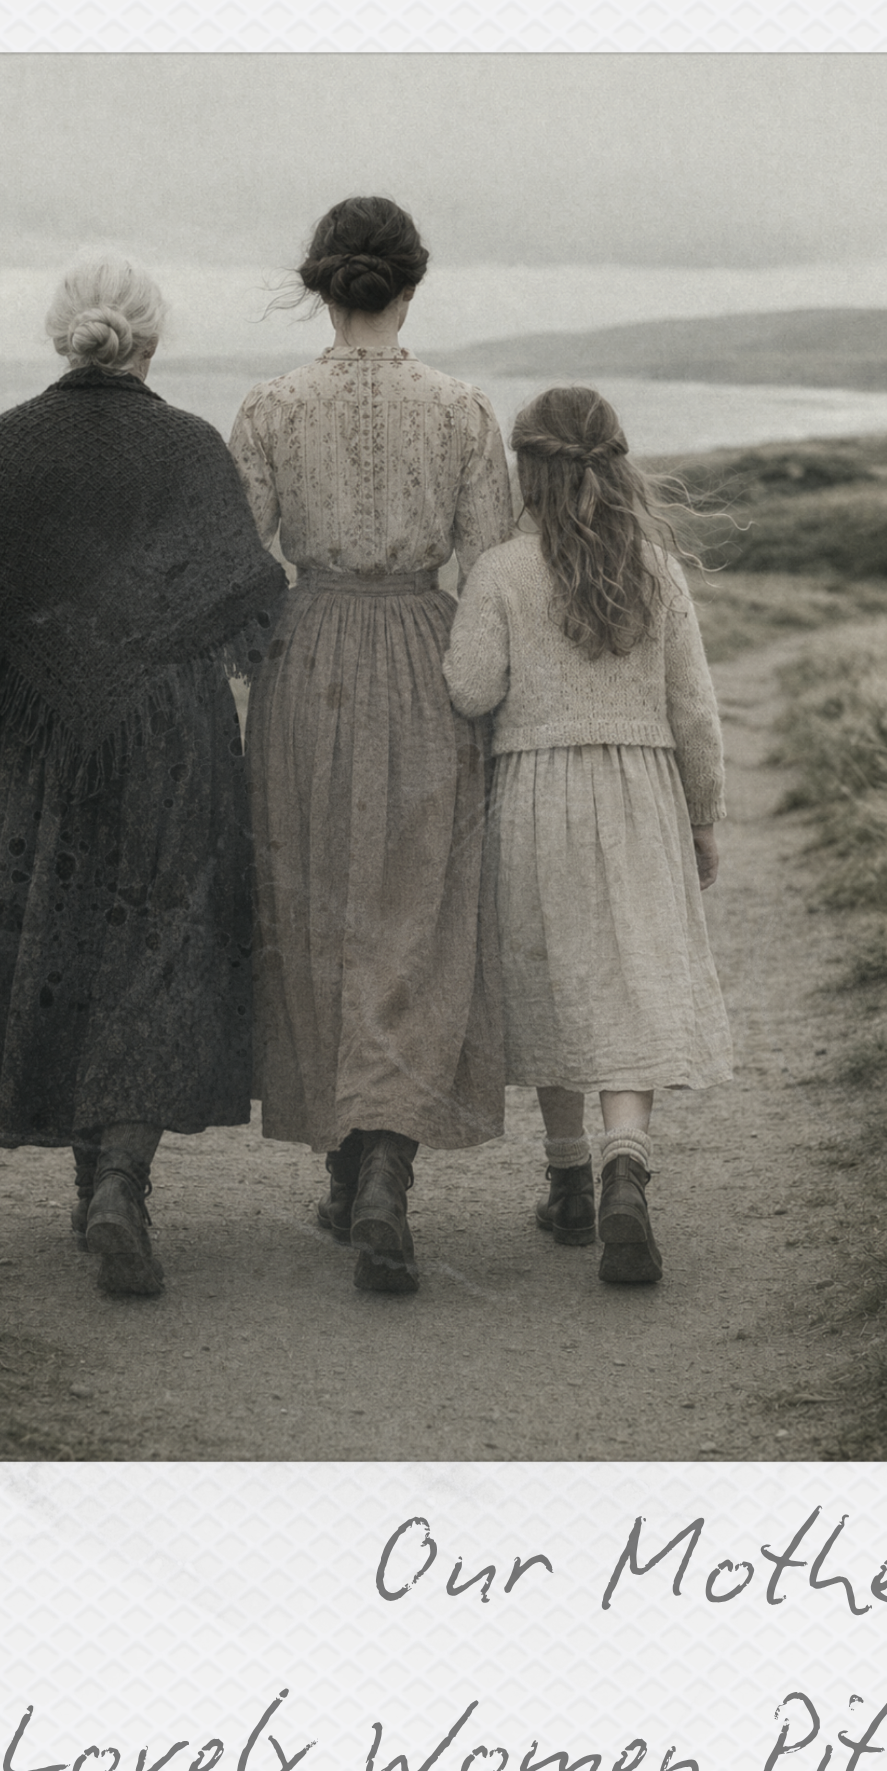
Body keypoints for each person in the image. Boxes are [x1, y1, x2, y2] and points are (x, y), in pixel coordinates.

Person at [0, 256, 287, 1297]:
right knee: (159, 948)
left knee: (63, 942)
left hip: (40, 742)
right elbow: (246, 597)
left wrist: (13, 718)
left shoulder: (8, 443)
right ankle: (118, 1178)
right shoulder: (187, 445)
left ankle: (92, 1183)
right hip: (171, 733)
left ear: (61, 333)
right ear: (152, 339)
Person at [228, 197, 515, 1295]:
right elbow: (491, 567)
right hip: (425, 658)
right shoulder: (460, 410)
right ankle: (384, 1163)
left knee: (318, 908)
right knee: (413, 912)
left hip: (305, 659)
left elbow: (238, 561)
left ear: (320, 284)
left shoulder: (269, 407)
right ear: (412, 284)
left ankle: (351, 1163)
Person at [441, 386, 733, 1284]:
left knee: (555, 981)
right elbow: (695, 709)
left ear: (525, 472)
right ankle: (624, 1168)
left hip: (535, 802)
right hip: (641, 798)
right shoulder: (655, 567)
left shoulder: (501, 571)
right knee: (629, 982)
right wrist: (703, 817)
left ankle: (567, 1180)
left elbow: (471, 689)